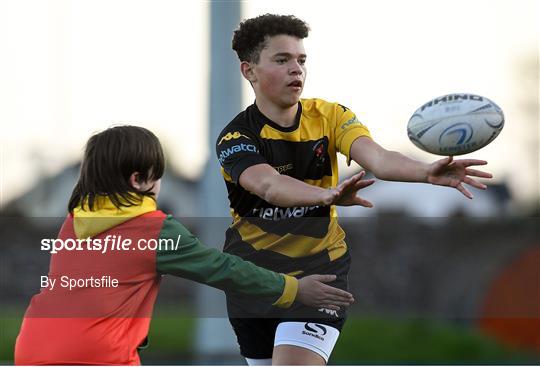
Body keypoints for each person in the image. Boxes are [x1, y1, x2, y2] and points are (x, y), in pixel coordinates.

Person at [216, 14, 492, 365]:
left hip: (319, 268)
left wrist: (426, 171)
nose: (296, 69)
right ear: (248, 70)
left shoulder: (331, 116)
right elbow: (269, 185)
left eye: (301, 60)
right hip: (254, 276)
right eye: (282, 60)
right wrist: (326, 196)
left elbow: (377, 158)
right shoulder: (236, 137)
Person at [14, 126, 354, 365]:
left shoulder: (73, 223)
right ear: (138, 180)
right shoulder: (153, 229)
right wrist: (293, 289)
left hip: (31, 347)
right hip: (96, 357)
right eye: (157, 174)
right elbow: (224, 270)